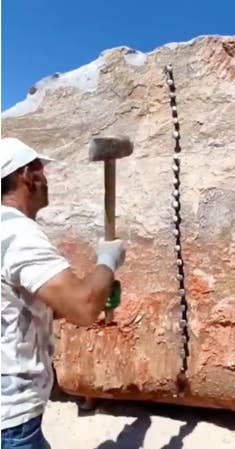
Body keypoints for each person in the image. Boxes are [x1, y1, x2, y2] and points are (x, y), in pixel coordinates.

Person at [1, 137, 127, 449]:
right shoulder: (18, 234)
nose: (46, 179)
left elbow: (19, 302)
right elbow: (83, 309)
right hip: (11, 418)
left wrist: (95, 292)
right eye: (41, 169)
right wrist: (108, 261)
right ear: (28, 176)